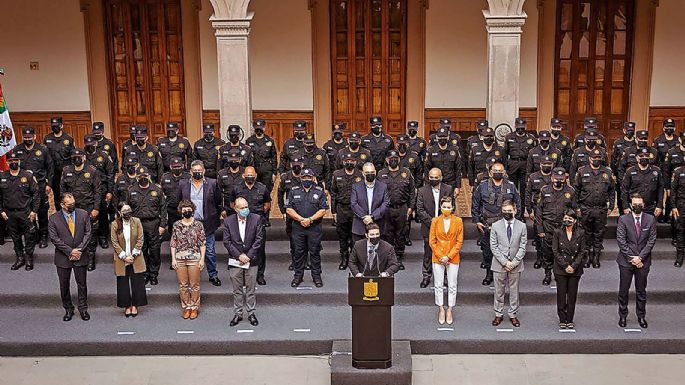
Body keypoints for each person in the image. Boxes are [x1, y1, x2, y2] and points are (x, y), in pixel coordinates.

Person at [471, 162, 521, 286]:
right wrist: (477, 220)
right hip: (488, 225)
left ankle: (506, 275)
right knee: (488, 251)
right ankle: (489, 274)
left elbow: (518, 205)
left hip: (506, 224)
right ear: (490, 172)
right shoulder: (482, 186)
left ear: (504, 173)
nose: (498, 173)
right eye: (495, 171)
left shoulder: (511, 186)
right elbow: (475, 204)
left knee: (506, 251)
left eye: (500, 171)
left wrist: (515, 222)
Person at [48, 193, 92, 322]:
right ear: (62, 205)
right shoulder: (54, 218)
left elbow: (88, 233)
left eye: (73, 202)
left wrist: (79, 250)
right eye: (69, 204)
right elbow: (54, 238)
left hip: (81, 255)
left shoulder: (83, 214)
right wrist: (70, 251)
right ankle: (68, 309)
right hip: (63, 257)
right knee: (64, 285)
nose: (73, 205)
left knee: (82, 284)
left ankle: (83, 308)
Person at [178, 160, 223, 286]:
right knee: (189, 251)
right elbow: (179, 202)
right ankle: (189, 277)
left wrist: (215, 216)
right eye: (195, 171)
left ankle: (213, 275)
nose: (197, 173)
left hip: (207, 223)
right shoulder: (183, 184)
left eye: (200, 171)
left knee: (209, 251)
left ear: (203, 171)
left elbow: (218, 201)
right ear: (190, 172)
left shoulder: (212, 183)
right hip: (189, 223)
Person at [616, 194, 657, 329]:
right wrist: (632, 258)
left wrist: (640, 258)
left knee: (641, 291)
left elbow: (651, 241)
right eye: (635, 204)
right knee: (623, 290)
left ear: (643, 205)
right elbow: (621, 241)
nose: (637, 206)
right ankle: (623, 316)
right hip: (626, 262)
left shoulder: (650, 219)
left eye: (639, 204)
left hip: (643, 261)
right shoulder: (623, 219)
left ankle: (641, 316)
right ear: (631, 205)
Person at [223, 197, 264, 327]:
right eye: (242, 208)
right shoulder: (228, 221)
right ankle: (238, 313)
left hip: (251, 260)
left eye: (246, 206)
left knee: (251, 289)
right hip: (235, 261)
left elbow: (259, 240)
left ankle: (251, 313)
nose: (245, 209)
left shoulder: (256, 219)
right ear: (235, 209)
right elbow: (227, 242)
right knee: (237, 289)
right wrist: (239, 255)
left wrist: (248, 256)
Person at [285, 168, 328, 287]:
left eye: (309, 177)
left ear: (313, 178)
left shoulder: (319, 191)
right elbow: (288, 209)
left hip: (314, 227)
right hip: (298, 228)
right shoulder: (293, 191)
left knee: (315, 252)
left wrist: (310, 220)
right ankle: (298, 276)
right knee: (298, 253)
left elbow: (323, 209)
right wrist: (301, 219)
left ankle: (316, 276)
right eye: (304, 177)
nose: (306, 179)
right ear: (300, 178)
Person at [60, 148, 102, 271]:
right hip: (72, 208)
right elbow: (62, 191)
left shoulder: (92, 171)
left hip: (88, 207)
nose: (76, 159)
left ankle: (90, 259)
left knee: (90, 234)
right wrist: (64, 206)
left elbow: (98, 191)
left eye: (79, 157)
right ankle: (75, 255)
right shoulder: (66, 171)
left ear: (84, 158)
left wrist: (96, 208)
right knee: (73, 233)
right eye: (74, 157)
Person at [228, 166, 271, 285]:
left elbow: (267, 204)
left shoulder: (263, 188)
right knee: (241, 249)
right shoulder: (237, 188)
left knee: (260, 250)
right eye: (248, 175)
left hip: (258, 224)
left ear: (256, 175)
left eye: (252, 175)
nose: (250, 177)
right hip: (241, 223)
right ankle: (242, 275)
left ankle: (259, 275)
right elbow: (232, 204)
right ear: (243, 176)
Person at [573, 151, 615, 268]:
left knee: (599, 233)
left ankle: (596, 256)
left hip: (601, 208)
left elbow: (612, 190)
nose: (596, 159)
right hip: (585, 208)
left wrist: (611, 206)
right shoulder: (582, 171)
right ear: (590, 158)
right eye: (594, 157)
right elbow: (576, 190)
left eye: (598, 157)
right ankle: (586, 256)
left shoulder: (607, 172)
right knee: (585, 233)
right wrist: (576, 207)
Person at [536, 167, 577, 285]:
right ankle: (547, 274)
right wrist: (540, 229)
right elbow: (539, 211)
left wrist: (573, 228)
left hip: (563, 227)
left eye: (561, 179)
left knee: (562, 252)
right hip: (548, 226)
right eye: (556, 179)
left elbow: (574, 211)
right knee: (547, 252)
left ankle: (559, 274)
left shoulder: (570, 191)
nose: (558, 181)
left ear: (565, 179)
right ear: (552, 178)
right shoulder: (544, 190)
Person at [489, 200, 526, 328]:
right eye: (504, 211)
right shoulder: (495, 226)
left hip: (516, 264)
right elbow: (493, 247)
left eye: (509, 211)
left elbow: (523, 246)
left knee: (514, 291)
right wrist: (505, 262)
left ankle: (512, 314)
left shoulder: (522, 226)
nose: (507, 213)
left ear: (515, 211)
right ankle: (498, 314)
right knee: (498, 291)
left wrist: (514, 262)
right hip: (499, 264)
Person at [14, 126, 53, 249]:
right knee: (28, 211)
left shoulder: (43, 149)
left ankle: (43, 236)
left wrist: (49, 184)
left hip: (40, 186)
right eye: (25, 137)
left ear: (35, 137)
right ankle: (33, 234)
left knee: (41, 211)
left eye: (30, 137)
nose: (27, 139)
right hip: (24, 187)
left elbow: (50, 168)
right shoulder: (17, 150)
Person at [127, 166, 167, 285]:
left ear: (149, 176)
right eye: (140, 177)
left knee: (154, 250)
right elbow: (127, 209)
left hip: (153, 224)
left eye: (145, 176)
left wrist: (162, 225)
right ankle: (144, 273)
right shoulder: (131, 190)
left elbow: (163, 208)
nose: (142, 178)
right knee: (141, 250)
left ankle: (154, 274)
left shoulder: (157, 190)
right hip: (137, 224)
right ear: (136, 177)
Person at [1, 149, 39, 270]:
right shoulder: (2, 177)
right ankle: (19, 258)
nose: (13, 162)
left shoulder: (27, 175)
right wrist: (1, 210)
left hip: (25, 212)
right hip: (10, 213)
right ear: (7, 162)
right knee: (15, 237)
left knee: (29, 237)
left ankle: (28, 258)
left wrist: (34, 211)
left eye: (15, 160)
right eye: (11, 160)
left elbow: (36, 194)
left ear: (19, 161)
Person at [416, 168, 453, 288]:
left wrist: (441, 221)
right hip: (428, 226)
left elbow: (452, 207)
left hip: (445, 226)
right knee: (428, 253)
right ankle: (426, 276)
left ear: (441, 177)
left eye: (436, 178)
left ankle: (446, 277)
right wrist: (433, 222)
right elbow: (420, 210)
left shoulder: (448, 189)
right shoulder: (422, 190)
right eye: (431, 177)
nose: (433, 179)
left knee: (446, 252)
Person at [378, 150, 415, 270]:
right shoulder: (381, 174)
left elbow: (412, 191)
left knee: (400, 234)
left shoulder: (406, 172)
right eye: (391, 158)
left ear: (399, 160)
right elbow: (377, 192)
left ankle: (398, 258)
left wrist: (411, 207)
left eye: (396, 158)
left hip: (402, 208)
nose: (393, 160)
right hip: (386, 209)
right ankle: (389, 258)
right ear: (387, 160)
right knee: (387, 234)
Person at [429, 197, 463, 325]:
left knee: (452, 284)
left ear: (453, 208)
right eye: (444, 207)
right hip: (438, 256)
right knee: (438, 284)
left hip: (453, 257)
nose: (446, 209)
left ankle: (450, 309)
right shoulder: (435, 221)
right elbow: (432, 241)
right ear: (440, 207)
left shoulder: (458, 221)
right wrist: (440, 256)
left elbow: (459, 241)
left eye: (449, 207)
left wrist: (448, 256)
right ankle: (441, 308)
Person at [170, 200, 206, 320]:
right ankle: (186, 307)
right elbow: (173, 243)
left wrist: (202, 259)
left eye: (189, 209)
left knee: (195, 285)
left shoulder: (198, 225)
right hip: (180, 259)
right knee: (183, 285)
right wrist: (173, 259)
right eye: (184, 209)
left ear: (193, 210)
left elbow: (202, 243)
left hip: (194, 258)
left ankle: (194, 307)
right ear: (181, 211)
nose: (187, 211)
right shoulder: (176, 225)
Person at [111, 203, 147, 318]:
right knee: (123, 282)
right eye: (124, 211)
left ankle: (135, 305)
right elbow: (114, 242)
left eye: (129, 210)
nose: (127, 212)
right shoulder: (115, 224)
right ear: (120, 213)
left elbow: (140, 238)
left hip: (135, 257)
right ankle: (126, 306)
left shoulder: (136, 221)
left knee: (137, 281)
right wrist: (124, 256)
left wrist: (134, 254)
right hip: (122, 257)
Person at [552, 210, 585, 329]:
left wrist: (573, 266)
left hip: (575, 269)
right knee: (561, 295)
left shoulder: (581, 232)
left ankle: (570, 318)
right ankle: (562, 318)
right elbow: (555, 251)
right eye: (566, 218)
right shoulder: (557, 232)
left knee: (572, 295)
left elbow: (581, 252)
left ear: (575, 220)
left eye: (570, 219)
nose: (567, 220)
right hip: (561, 268)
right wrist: (566, 265)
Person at [330, 153, 363, 270]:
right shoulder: (337, 174)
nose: (349, 162)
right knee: (342, 235)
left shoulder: (360, 174)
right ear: (343, 162)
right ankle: (344, 258)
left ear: (355, 162)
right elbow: (333, 193)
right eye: (347, 160)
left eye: (351, 160)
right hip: (341, 209)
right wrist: (333, 211)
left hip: (356, 210)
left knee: (355, 236)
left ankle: (354, 259)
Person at [84, 134, 115, 251]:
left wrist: (110, 191)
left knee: (102, 213)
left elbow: (110, 174)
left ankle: (103, 236)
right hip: (86, 190)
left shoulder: (103, 156)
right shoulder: (82, 155)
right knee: (87, 215)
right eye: (87, 145)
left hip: (102, 189)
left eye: (92, 145)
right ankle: (91, 237)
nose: (89, 147)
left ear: (96, 144)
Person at [245, 119, 278, 226]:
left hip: (266, 170)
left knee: (265, 194)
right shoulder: (249, 140)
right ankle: (253, 217)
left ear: (264, 128)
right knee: (253, 193)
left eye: (261, 127)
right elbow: (247, 157)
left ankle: (266, 218)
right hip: (254, 170)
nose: (259, 130)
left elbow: (274, 157)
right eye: (257, 128)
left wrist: (274, 172)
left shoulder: (269, 140)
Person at [504, 118, 536, 219]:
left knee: (523, 191)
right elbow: (505, 153)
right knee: (511, 189)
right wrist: (505, 168)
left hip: (525, 164)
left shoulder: (531, 138)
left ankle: (521, 215)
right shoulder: (509, 137)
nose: (520, 130)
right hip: (513, 164)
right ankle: (510, 212)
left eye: (522, 128)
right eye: (518, 128)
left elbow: (533, 155)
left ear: (525, 127)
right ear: (515, 126)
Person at [350, 162, 389, 243]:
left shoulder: (383, 186)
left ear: (375, 172)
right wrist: (364, 217)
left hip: (378, 224)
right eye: (367, 173)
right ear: (363, 173)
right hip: (360, 224)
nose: (370, 174)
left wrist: (372, 217)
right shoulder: (355, 187)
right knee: (359, 251)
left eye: (372, 172)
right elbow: (354, 204)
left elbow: (385, 203)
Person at [621, 148, 664, 216]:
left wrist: (659, 206)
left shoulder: (656, 171)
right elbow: (624, 190)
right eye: (641, 156)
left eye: (646, 156)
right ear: (637, 158)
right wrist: (625, 206)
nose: (644, 157)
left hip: (651, 207)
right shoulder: (630, 171)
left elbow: (660, 190)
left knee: (650, 226)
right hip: (634, 207)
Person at [43, 117, 74, 203]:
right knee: (57, 195)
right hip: (53, 172)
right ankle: (60, 214)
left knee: (68, 193)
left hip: (66, 171)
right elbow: (45, 157)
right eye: (53, 125)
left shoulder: (68, 138)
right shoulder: (47, 138)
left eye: (57, 125)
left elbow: (73, 155)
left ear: (61, 126)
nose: (55, 127)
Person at [671, 160, 685, 267]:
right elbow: (673, 191)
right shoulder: (678, 172)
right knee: (681, 230)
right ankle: (680, 257)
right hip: (682, 204)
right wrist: (674, 207)